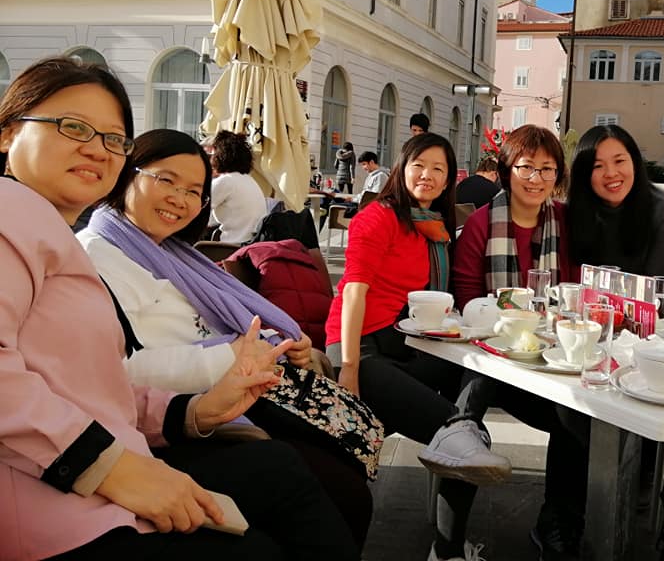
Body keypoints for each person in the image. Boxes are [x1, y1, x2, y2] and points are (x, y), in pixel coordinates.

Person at [0, 56, 359, 561]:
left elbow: (94, 384)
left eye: (112, 139)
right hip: (50, 503)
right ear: (8, 134)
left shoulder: (59, 234)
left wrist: (192, 412)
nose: (96, 149)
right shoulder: (13, 215)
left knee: (286, 473)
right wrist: (113, 468)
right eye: (72, 126)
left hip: (104, 463)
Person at [76, 128, 375, 547]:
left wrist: (279, 344)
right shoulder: (94, 256)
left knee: (346, 472)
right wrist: (235, 356)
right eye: (166, 180)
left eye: (194, 191)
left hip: (229, 394)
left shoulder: (174, 253)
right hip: (167, 425)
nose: (180, 199)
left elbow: (221, 325)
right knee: (329, 485)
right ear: (128, 174)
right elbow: (119, 369)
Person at [325, 132, 511, 561]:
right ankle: (447, 551)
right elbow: (353, 291)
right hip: (363, 349)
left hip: (405, 345)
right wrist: (349, 367)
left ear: (449, 181)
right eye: (419, 165)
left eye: (439, 169)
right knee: (463, 439)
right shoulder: (381, 217)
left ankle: (462, 430)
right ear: (402, 168)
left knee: (480, 374)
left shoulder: (433, 227)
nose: (427, 175)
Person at [451, 124, 589, 561]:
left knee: (577, 414)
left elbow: (579, 293)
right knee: (466, 412)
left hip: (553, 356)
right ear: (507, 169)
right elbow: (468, 298)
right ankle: (449, 537)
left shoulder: (566, 221)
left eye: (547, 169)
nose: (536, 178)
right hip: (501, 362)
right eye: (526, 166)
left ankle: (558, 522)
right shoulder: (480, 225)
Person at [567, 123, 664, 277]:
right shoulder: (571, 211)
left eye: (619, 161)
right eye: (597, 166)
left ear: (634, 162)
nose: (611, 173)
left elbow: (654, 282)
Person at [207, 130, 266, 243]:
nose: (211, 159)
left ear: (220, 156)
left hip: (230, 247)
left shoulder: (225, 182)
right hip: (250, 244)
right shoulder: (249, 181)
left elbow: (198, 211)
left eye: (212, 154)